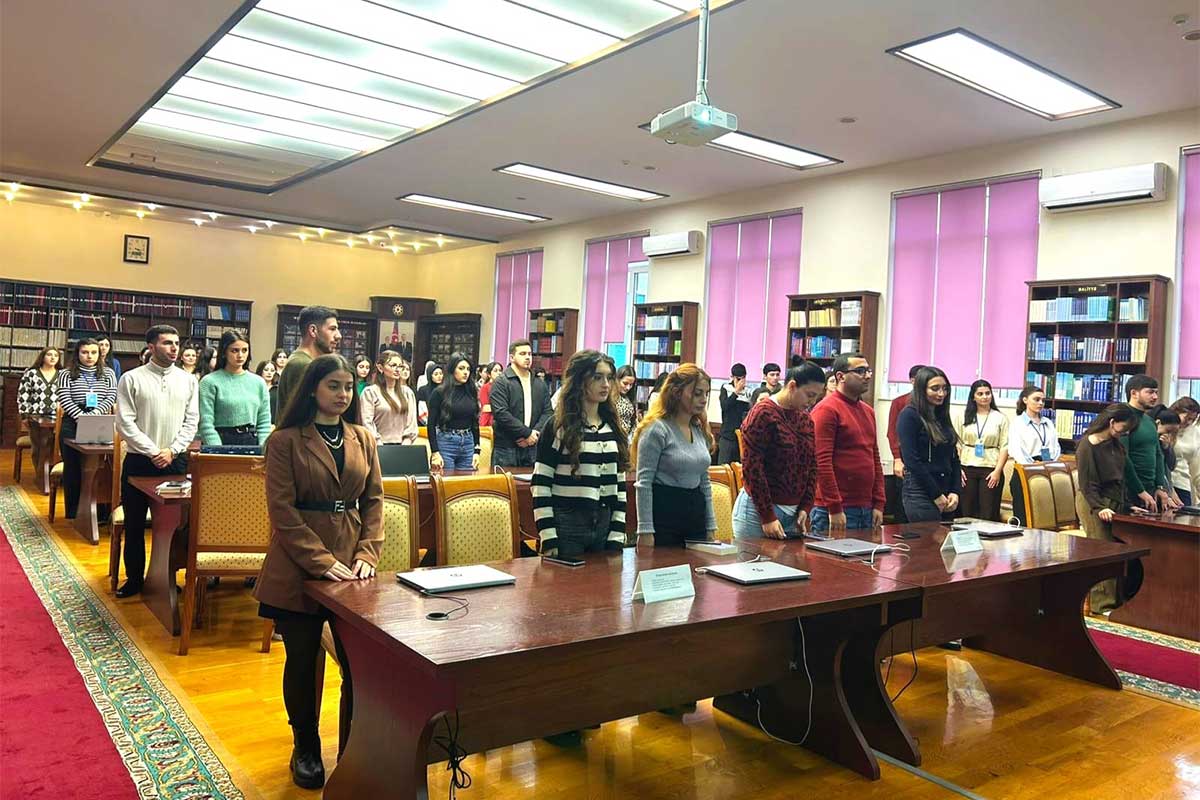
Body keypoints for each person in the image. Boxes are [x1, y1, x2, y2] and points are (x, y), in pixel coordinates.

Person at [253, 354, 383, 790]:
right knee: (303, 660)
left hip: (355, 566)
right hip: (299, 566)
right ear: (312, 388)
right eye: (333, 386)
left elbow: (374, 502)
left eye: (348, 387)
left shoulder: (363, 438)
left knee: (359, 664)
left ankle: (354, 747)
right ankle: (305, 746)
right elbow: (282, 513)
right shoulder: (285, 441)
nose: (343, 394)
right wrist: (323, 563)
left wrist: (368, 552)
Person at [114, 325, 198, 597]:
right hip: (139, 461)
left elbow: (192, 421)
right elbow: (124, 422)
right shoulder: (131, 378)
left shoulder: (188, 380)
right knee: (135, 524)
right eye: (167, 343)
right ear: (151, 347)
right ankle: (134, 580)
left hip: (175, 462)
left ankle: (166, 578)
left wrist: (172, 450)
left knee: (173, 527)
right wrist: (152, 451)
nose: (174, 348)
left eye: (176, 343)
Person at [531, 350, 629, 557]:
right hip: (567, 524)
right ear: (579, 380)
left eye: (609, 378)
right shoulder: (558, 425)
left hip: (604, 524)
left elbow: (619, 484)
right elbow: (540, 483)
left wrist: (617, 533)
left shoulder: (612, 426)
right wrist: (548, 536)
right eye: (597, 377)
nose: (606, 384)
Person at [732, 362, 825, 539]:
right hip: (758, 513)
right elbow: (753, 469)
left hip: (794, 514)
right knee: (753, 558)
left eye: (816, 397)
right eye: (810, 395)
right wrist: (767, 516)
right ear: (792, 386)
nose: (812, 402)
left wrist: (806, 506)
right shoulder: (763, 413)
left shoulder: (805, 419)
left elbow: (812, 465)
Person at [630, 364, 717, 546]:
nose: (703, 400)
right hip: (665, 517)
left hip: (696, 516)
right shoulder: (657, 429)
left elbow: (704, 482)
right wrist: (645, 531)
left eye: (706, 394)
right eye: (697, 393)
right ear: (677, 393)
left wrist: (710, 525)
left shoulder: (698, 429)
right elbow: (644, 483)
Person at [1074, 404, 1139, 613]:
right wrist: (1099, 507)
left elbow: (1120, 478)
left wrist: (1128, 505)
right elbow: (1087, 484)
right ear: (1111, 422)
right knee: (1102, 552)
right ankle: (1101, 604)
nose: (1124, 433)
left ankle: (1117, 600)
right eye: (1123, 428)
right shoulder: (1087, 445)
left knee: (1117, 553)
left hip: (1113, 502)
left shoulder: (1115, 444)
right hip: (1094, 503)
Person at [809, 354, 885, 533]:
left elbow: (874, 457)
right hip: (834, 509)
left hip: (866, 508)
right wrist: (834, 506)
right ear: (840, 376)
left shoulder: (868, 411)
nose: (868, 376)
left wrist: (879, 502)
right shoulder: (826, 409)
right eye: (860, 371)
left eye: (868, 370)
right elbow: (821, 462)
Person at [56, 338, 117, 519]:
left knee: (100, 466)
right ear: (77, 354)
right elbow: (65, 398)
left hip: (99, 419)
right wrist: (81, 418)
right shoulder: (66, 373)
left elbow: (111, 396)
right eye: (84, 352)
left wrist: (95, 414)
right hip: (72, 421)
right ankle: (74, 511)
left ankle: (100, 511)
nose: (89, 356)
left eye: (93, 352)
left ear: (99, 354)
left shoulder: (108, 373)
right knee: (73, 467)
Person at [897, 366, 960, 523]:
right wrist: (935, 494)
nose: (941, 394)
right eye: (935, 388)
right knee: (927, 538)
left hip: (946, 489)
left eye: (945, 389)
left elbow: (954, 458)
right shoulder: (909, 415)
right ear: (921, 389)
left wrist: (955, 490)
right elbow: (912, 461)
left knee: (946, 538)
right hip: (920, 490)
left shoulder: (941, 415)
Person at [198, 330, 271, 447]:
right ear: (224, 352)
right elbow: (206, 423)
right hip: (221, 440)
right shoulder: (209, 382)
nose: (240, 355)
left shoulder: (258, 382)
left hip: (251, 440)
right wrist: (217, 450)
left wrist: (264, 449)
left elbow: (264, 422)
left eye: (244, 350)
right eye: (234, 350)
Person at [952, 379, 1011, 521]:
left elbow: (1005, 446)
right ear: (973, 396)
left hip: (990, 469)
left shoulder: (1000, 418)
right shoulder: (963, 416)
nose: (985, 397)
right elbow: (957, 444)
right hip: (966, 468)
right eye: (980, 394)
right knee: (967, 511)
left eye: (987, 393)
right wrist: (958, 469)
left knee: (988, 512)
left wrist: (998, 471)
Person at [490, 339, 553, 468]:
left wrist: (534, 434)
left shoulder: (539, 383)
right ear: (512, 357)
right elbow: (501, 414)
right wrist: (526, 433)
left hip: (533, 446)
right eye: (523, 354)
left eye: (529, 354)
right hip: (507, 447)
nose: (528, 357)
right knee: (505, 480)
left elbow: (547, 412)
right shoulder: (501, 382)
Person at [1120, 375, 1175, 513]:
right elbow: (1123, 457)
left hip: (1151, 491)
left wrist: (1160, 487)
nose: (1155, 397)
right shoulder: (1123, 418)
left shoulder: (1150, 421)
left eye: (1156, 392)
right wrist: (1140, 490)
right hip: (1129, 492)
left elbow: (1158, 455)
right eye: (1150, 392)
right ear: (1134, 393)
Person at [1008, 384, 1060, 525]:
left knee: (1042, 515)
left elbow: (1056, 447)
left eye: (1043, 400)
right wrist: (1033, 466)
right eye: (1036, 399)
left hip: (1046, 470)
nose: (1040, 403)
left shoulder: (1048, 423)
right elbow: (1017, 449)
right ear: (1025, 400)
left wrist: (1049, 464)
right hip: (1024, 470)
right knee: (1023, 516)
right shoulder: (1018, 423)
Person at [277, 306, 341, 416]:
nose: (338, 336)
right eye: (332, 329)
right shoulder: (302, 364)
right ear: (313, 330)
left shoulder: (306, 362)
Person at [427, 353, 480, 471]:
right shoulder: (439, 392)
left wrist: (477, 450)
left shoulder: (471, 391)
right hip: (446, 441)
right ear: (452, 370)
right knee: (446, 479)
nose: (465, 372)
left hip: (468, 441)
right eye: (461, 368)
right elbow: (431, 424)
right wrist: (435, 452)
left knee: (467, 480)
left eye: (468, 369)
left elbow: (475, 422)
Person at [885, 364, 923, 523]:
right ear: (912, 381)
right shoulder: (900, 402)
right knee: (903, 502)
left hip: (925, 459)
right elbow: (892, 433)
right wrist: (897, 459)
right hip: (904, 457)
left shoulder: (933, 403)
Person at [360, 350, 417, 444]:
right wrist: (378, 444)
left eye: (400, 366)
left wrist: (406, 443)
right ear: (380, 367)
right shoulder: (370, 392)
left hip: (403, 445)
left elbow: (412, 424)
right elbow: (366, 422)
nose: (397, 369)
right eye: (393, 365)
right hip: (377, 445)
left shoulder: (407, 393)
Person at [717, 363, 751, 464]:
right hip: (727, 435)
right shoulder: (726, 388)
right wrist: (736, 392)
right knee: (723, 466)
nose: (741, 382)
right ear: (732, 377)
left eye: (743, 378)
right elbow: (725, 406)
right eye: (738, 379)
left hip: (741, 436)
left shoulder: (748, 391)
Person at [1168, 397, 1200, 505]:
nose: (1189, 422)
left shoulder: (1195, 432)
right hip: (1166, 483)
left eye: (1193, 419)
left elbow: (1196, 468)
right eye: (1187, 418)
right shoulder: (1165, 427)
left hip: (1183, 484)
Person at [1149, 406, 1183, 506]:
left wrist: (1167, 448)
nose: (1169, 435)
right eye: (1168, 431)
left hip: (1165, 488)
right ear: (1158, 423)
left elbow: (1171, 466)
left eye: (1173, 433)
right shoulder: (1150, 440)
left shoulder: (1165, 442)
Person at [17, 346, 60, 421]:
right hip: (34, 416)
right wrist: (24, 415)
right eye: (49, 355)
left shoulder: (62, 375)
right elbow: (23, 394)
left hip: (56, 417)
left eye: (56, 355)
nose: (53, 358)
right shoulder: (31, 374)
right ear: (43, 357)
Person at [477, 361, 503, 427]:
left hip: (502, 420)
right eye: (495, 371)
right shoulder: (485, 387)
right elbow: (486, 408)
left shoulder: (504, 387)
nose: (499, 373)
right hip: (488, 421)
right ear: (489, 374)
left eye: (500, 370)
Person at [614, 365, 637, 438]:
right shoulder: (610, 398)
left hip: (627, 438)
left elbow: (633, 422)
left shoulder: (629, 398)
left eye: (631, 384)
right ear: (617, 380)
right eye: (625, 383)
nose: (628, 388)